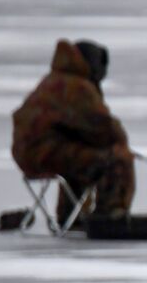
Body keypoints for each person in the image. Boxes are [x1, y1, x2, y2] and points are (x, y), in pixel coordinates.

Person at [11, 39, 135, 223]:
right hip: (43, 155)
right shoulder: (76, 87)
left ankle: (71, 217)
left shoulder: (54, 80)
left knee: (79, 156)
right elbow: (106, 129)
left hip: (29, 154)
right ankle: (110, 216)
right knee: (117, 158)